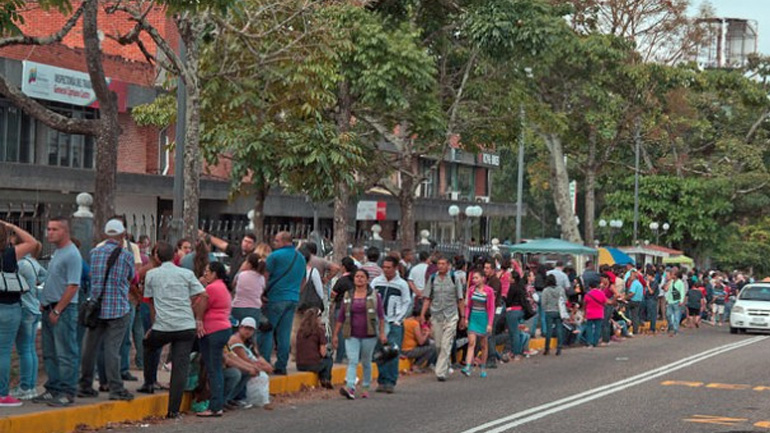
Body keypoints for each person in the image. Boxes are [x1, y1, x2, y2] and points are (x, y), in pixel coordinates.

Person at [139, 241, 207, 420]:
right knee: (180, 367)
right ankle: (173, 410)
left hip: (163, 326)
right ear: (174, 256)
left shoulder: (152, 274)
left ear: (156, 256)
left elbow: (150, 302)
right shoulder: (186, 274)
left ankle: (149, 382)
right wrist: (198, 317)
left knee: (148, 346)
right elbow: (203, 294)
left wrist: (153, 325)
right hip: (185, 326)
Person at [78, 220, 136, 402]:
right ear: (122, 235)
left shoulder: (94, 253)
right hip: (118, 308)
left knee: (90, 348)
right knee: (113, 350)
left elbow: (92, 277)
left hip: (96, 307)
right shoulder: (126, 256)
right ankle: (116, 388)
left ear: (105, 234)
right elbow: (131, 277)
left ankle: (85, 384)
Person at [35, 216, 82, 407]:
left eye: (54, 229)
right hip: (49, 307)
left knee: (65, 353)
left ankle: (67, 391)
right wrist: (44, 303)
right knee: (50, 353)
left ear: (65, 231)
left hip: (63, 310)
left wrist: (57, 310)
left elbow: (73, 286)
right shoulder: (58, 252)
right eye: (48, 229)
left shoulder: (72, 254)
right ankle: (53, 388)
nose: (50, 233)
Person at [0, 220, 38, 407]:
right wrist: (12, 226)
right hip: (9, 306)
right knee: (3, 351)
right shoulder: (9, 254)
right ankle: (2, 394)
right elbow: (33, 243)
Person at [333, 269, 386, 399]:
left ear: (367, 280)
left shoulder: (374, 296)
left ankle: (366, 386)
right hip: (351, 334)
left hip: (369, 334)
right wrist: (335, 334)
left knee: (366, 361)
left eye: (362, 277)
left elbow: (381, 316)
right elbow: (341, 316)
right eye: (357, 276)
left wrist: (382, 333)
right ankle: (350, 387)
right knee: (352, 361)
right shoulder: (348, 295)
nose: (359, 279)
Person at [258, 231, 306, 376]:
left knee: (267, 330)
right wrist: (295, 292)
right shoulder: (300, 258)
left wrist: (261, 294)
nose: (274, 243)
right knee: (284, 333)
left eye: (276, 240)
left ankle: (265, 362)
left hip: (275, 298)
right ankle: (281, 365)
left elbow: (265, 276)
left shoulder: (274, 256)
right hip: (292, 298)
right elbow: (303, 280)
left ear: (284, 241)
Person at [12, 239, 47, 401]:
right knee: (30, 349)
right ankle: (30, 386)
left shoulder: (21, 264)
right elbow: (45, 276)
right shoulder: (34, 263)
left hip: (24, 307)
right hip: (33, 307)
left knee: (24, 349)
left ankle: (25, 387)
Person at [197, 261, 233, 417]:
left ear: (215, 274)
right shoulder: (222, 287)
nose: (205, 274)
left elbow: (200, 305)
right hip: (222, 329)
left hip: (213, 330)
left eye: (207, 271)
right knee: (215, 368)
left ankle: (215, 406)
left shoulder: (211, 288)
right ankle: (217, 404)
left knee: (213, 369)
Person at [420, 256, 464, 381]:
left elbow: (460, 299)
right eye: (439, 264)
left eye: (443, 264)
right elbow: (427, 298)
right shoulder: (432, 278)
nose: (441, 266)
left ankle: (440, 373)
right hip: (436, 315)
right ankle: (446, 364)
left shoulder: (455, 278)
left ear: (448, 265)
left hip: (451, 315)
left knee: (446, 344)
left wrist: (463, 317)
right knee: (438, 345)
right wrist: (423, 314)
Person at [371, 256, 411, 393]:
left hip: (394, 322)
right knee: (380, 352)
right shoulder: (376, 282)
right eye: (384, 267)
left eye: (389, 267)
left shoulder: (402, 284)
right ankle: (382, 380)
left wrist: (398, 319)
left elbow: (406, 302)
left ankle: (390, 381)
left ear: (395, 268)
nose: (386, 270)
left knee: (393, 351)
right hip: (379, 323)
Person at [224, 317, 273, 409]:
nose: (248, 331)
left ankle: (230, 398)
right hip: (225, 367)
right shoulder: (234, 340)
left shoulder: (250, 341)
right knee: (237, 373)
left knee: (249, 371)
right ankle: (226, 399)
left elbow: (257, 357)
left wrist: (261, 366)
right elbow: (235, 359)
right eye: (246, 328)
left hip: (237, 364)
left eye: (250, 329)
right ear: (240, 328)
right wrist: (252, 367)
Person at [461, 269, 495, 378]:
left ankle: (483, 367)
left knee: (484, 345)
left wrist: (490, 323)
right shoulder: (471, 290)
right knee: (471, 343)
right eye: (473, 278)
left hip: (483, 318)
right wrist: (466, 318)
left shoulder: (489, 291)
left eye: (476, 278)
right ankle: (468, 366)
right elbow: (468, 306)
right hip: (473, 318)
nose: (474, 280)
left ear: (482, 278)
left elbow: (491, 308)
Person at [295, 308, 333, 389]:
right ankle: (325, 379)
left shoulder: (300, 331)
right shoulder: (319, 330)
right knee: (328, 360)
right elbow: (323, 352)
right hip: (313, 365)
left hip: (300, 365)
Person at [231, 253, 266, 338]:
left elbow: (233, 286)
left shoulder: (241, 275)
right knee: (251, 335)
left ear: (249, 264)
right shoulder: (261, 278)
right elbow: (261, 292)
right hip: (254, 309)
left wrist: (240, 269)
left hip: (238, 307)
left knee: (236, 333)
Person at [504, 273, 528, 361]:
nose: (508, 278)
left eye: (510, 277)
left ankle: (516, 352)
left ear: (513, 279)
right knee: (516, 332)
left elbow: (508, 300)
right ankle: (516, 352)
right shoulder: (520, 287)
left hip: (512, 311)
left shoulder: (512, 287)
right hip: (520, 311)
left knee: (514, 333)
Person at [541, 274, 566, 356]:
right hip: (558, 311)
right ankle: (559, 348)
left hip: (549, 311)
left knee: (549, 330)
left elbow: (543, 302)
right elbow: (564, 300)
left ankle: (547, 348)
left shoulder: (545, 290)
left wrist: (545, 308)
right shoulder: (560, 289)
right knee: (559, 330)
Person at [583, 281, 607, 348]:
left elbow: (584, 304)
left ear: (590, 287)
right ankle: (595, 342)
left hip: (590, 313)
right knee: (598, 328)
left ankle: (589, 342)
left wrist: (584, 312)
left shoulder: (587, 295)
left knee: (589, 328)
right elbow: (605, 303)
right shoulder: (601, 293)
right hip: (599, 313)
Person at [665, 270, 686, 336]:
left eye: (672, 274)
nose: (671, 275)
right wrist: (667, 299)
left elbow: (682, 292)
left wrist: (681, 301)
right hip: (670, 301)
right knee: (668, 314)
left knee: (676, 316)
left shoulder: (680, 283)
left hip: (677, 301)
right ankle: (670, 326)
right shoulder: (671, 282)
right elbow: (668, 290)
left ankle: (675, 329)